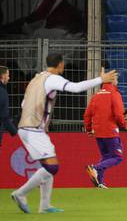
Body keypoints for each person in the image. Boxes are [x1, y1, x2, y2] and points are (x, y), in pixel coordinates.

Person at [11, 54, 117, 214]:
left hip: (26, 127)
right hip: (33, 128)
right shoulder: (53, 79)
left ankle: (45, 206)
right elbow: (75, 88)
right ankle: (21, 194)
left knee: (48, 165)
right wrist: (100, 80)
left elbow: (24, 103)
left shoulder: (36, 79)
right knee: (52, 166)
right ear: (60, 65)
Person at [84, 76, 127, 188]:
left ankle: (100, 182)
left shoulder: (95, 96)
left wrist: (89, 129)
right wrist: (125, 124)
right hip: (110, 131)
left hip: (98, 132)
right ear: (112, 81)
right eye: (116, 79)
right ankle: (95, 168)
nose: (118, 81)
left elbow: (87, 115)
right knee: (117, 157)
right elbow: (119, 114)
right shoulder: (114, 94)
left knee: (106, 157)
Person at [0, 66, 17, 154]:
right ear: (3, 76)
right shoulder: (2, 92)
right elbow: (4, 116)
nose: (9, 78)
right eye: (8, 75)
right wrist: (14, 131)